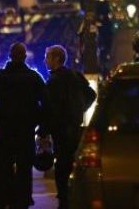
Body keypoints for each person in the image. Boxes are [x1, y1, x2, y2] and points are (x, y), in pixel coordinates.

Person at [0, 42, 48, 209]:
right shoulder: (34, 78)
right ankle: (23, 200)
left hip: (5, 130)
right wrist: (42, 126)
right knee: (24, 168)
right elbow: (47, 103)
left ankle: (4, 198)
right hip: (26, 130)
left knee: (3, 167)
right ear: (24, 57)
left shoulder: (0, 77)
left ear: (10, 56)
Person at [43, 45, 96, 209]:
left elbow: (49, 108)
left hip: (60, 129)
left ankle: (64, 199)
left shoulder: (53, 81)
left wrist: (43, 130)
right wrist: (81, 109)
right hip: (75, 126)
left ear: (56, 59)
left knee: (61, 165)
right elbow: (91, 94)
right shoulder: (75, 75)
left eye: (48, 57)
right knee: (73, 163)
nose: (46, 60)